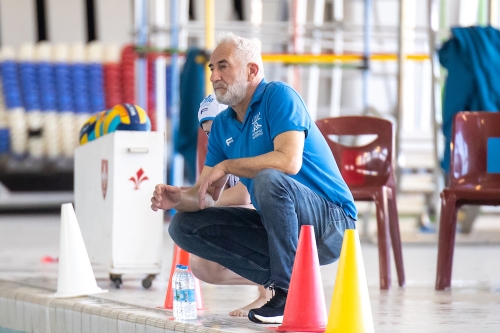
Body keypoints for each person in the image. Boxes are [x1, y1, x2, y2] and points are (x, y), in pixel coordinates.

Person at [151, 32, 357, 324]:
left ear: (252, 70)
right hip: (284, 231)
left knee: (268, 178)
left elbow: (289, 161)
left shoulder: (278, 96)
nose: (214, 76)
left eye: (223, 66)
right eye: (211, 68)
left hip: (332, 223)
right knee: (184, 227)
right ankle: (286, 284)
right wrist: (179, 198)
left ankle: (285, 294)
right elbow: (206, 195)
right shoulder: (222, 126)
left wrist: (229, 165)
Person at [196, 93, 272, 316]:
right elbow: (208, 191)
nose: (214, 138)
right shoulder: (219, 153)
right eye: (209, 133)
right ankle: (275, 282)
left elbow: (244, 196)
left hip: (292, 227)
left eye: (218, 130)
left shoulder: (256, 145)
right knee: (202, 264)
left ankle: (269, 294)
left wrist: (203, 201)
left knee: (246, 211)